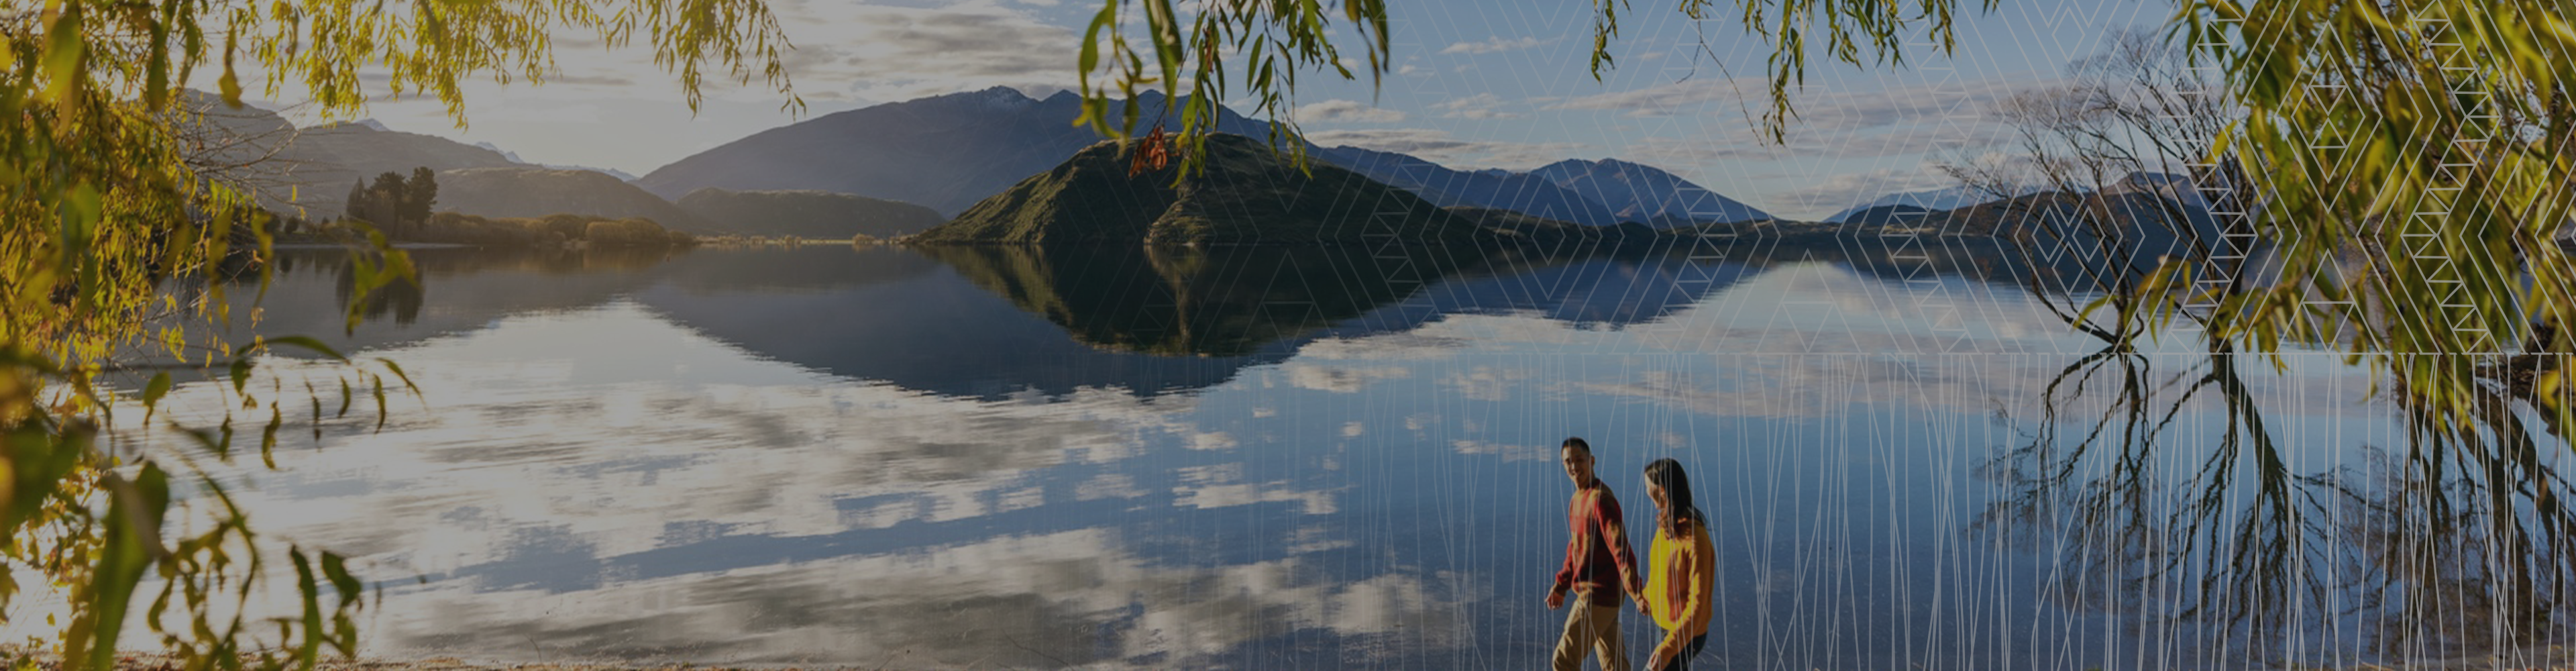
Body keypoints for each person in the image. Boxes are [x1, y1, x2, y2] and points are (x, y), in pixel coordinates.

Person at [1548, 437, 1645, 671]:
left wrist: (1637, 591)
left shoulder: (1601, 500)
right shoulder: (1577, 500)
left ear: (1592, 461)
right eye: (1568, 462)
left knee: (1563, 662)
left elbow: (1620, 547)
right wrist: (1561, 585)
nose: (1574, 467)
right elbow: (1576, 547)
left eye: (1579, 460)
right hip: (1602, 595)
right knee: (1615, 665)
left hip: (1598, 595)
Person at [1633, 458, 1715, 671]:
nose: (1646, 492)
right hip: (1666, 627)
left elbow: (1697, 610)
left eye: (1647, 487)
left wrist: (1667, 650)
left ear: (1661, 490)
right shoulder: (1667, 527)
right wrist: (1647, 596)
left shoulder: (1695, 541)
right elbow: (1660, 573)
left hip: (1688, 634)